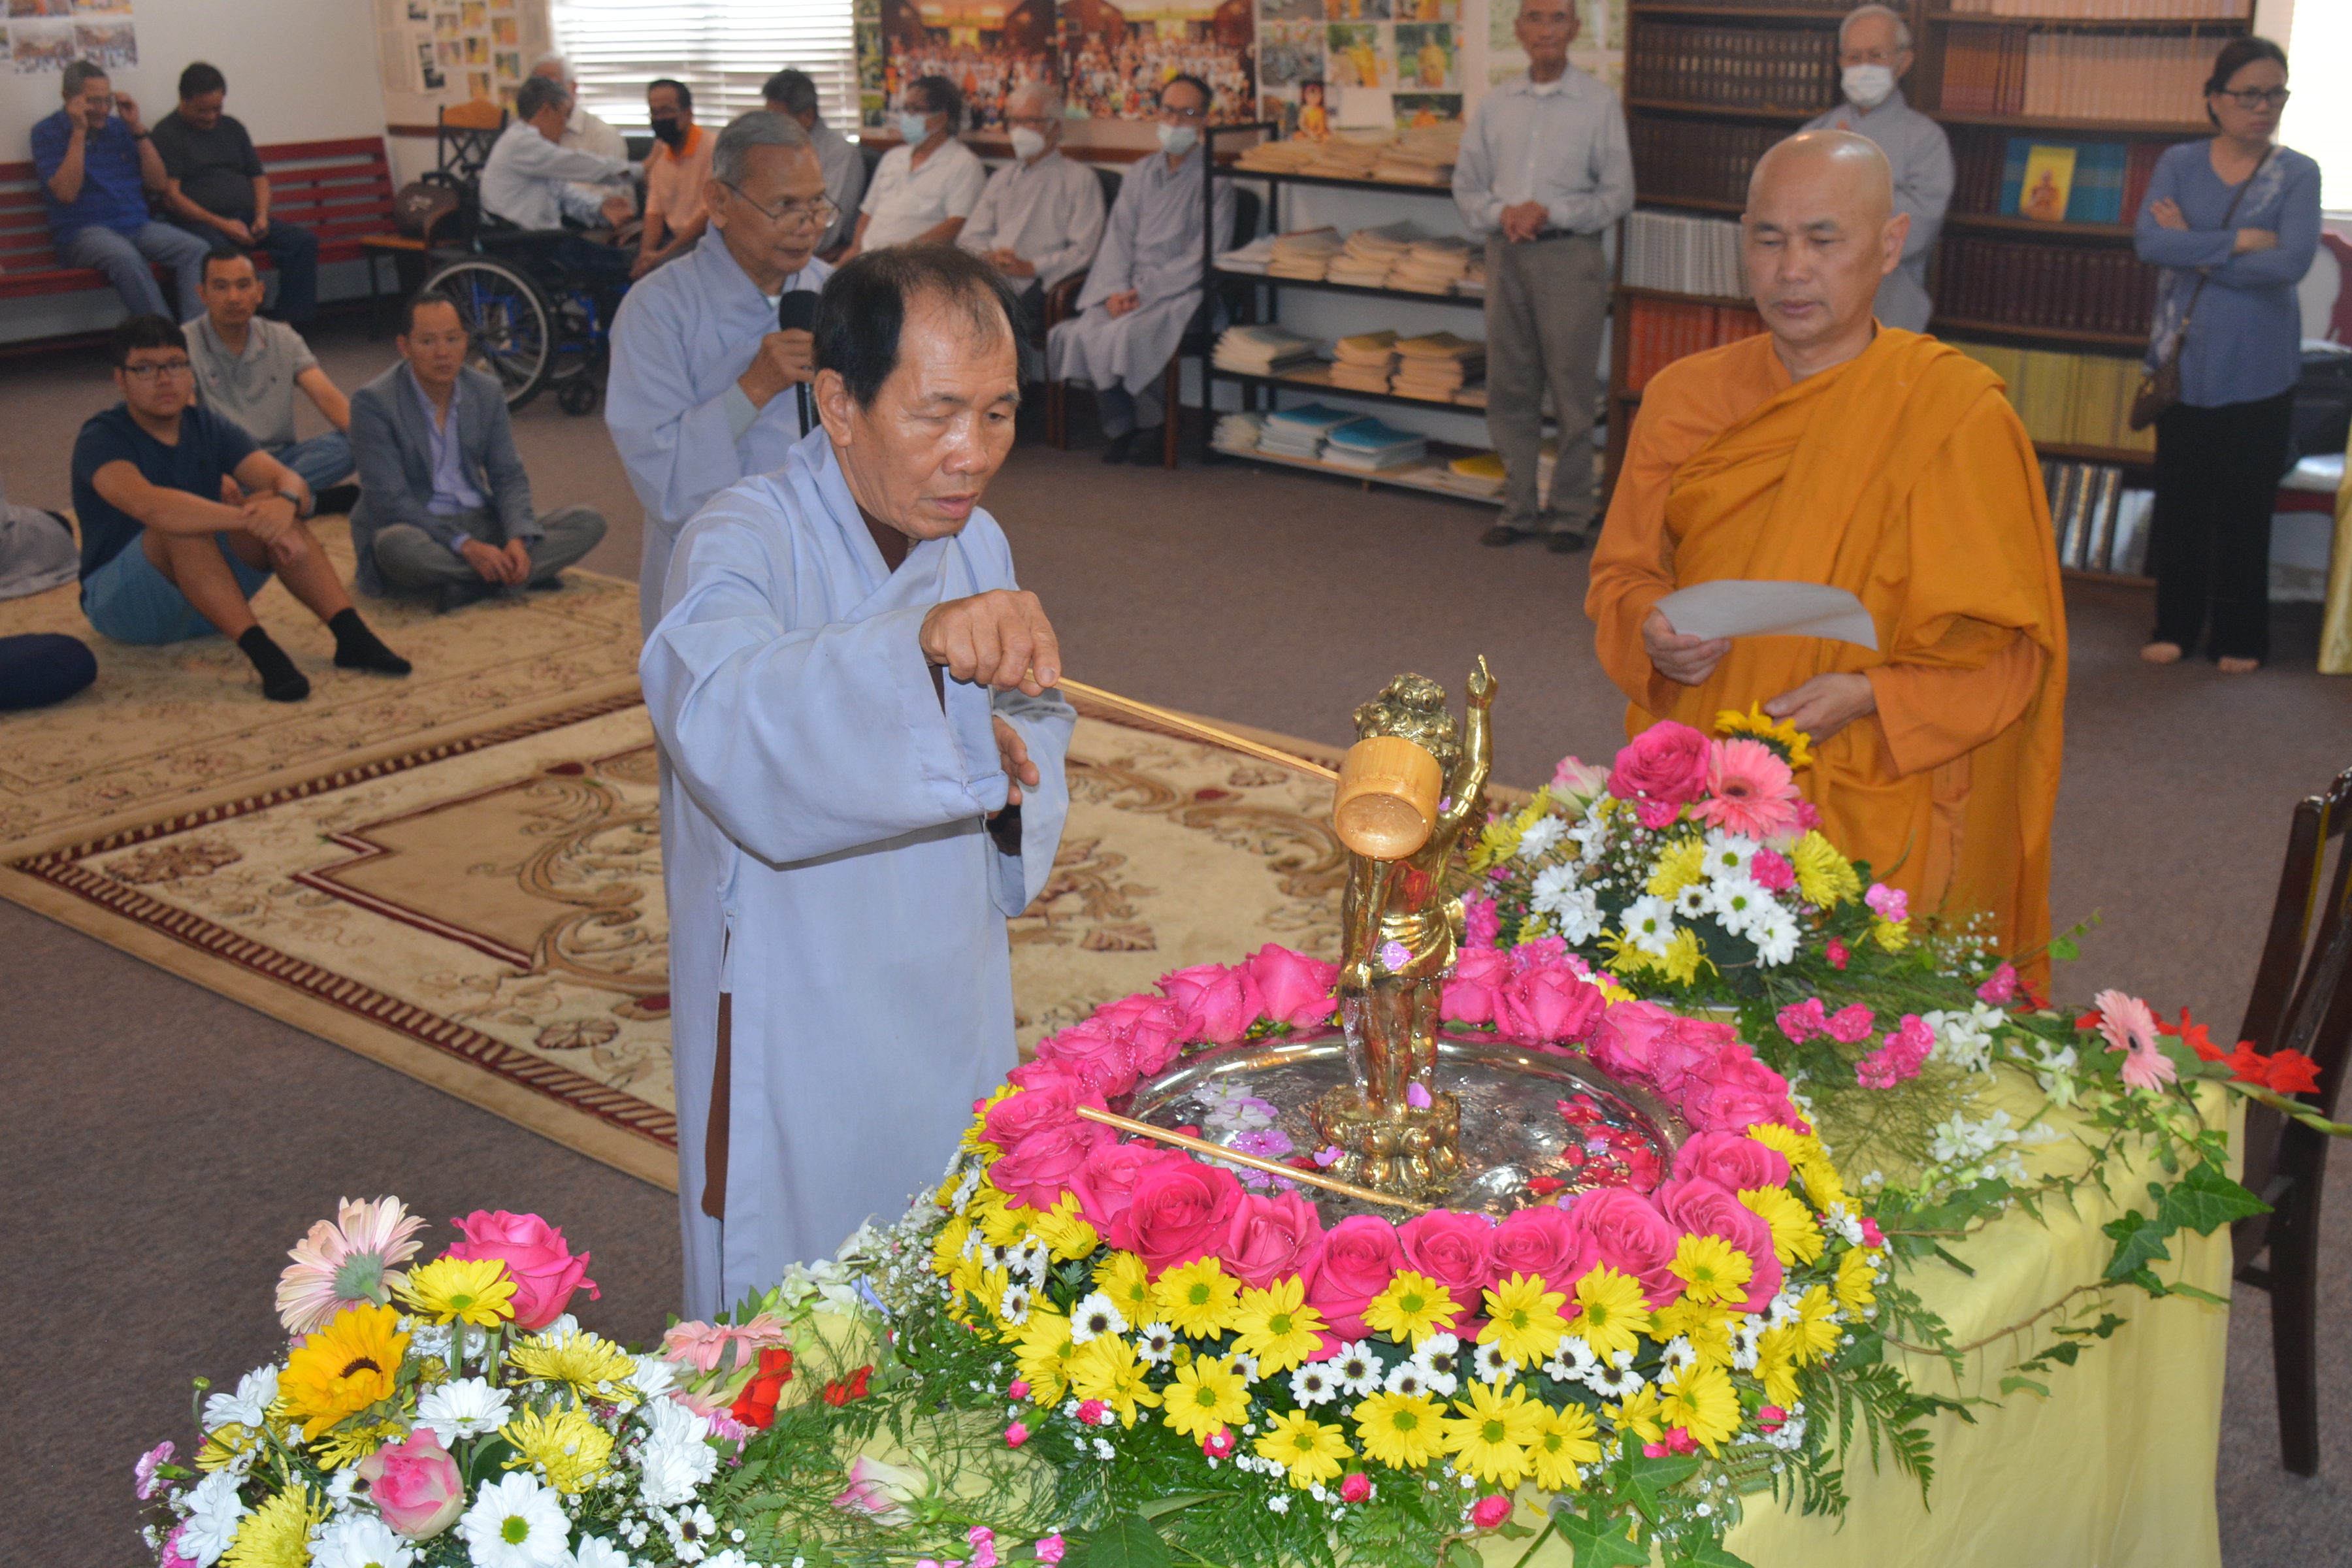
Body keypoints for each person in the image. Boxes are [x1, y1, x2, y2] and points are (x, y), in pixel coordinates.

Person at [641, 246, 1073, 1313]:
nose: (972, 456)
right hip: (799, 986)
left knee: (944, 1252)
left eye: (999, 415)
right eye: (937, 415)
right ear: (837, 404)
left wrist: (1009, 769)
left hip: (946, 971)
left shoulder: (979, 542)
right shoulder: (742, 537)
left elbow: (1032, 712)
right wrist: (913, 652)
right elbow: (718, 713)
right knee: (801, 1302)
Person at [1585, 131, 2066, 967]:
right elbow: (1622, 576)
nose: (1791, 270)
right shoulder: (1684, 399)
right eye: (1769, 239)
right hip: (1708, 774)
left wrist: (1874, 694)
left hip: (1881, 779)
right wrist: (1650, 631)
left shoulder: (1956, 415)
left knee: (1864, 1018)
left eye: (1822, 240)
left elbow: (2012, 652)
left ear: (1889, 244)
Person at [71, 315, 410, 701]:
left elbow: (288, 480)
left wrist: (284, 505)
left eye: (176, 365)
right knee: (184, 526)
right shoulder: (101, 437)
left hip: (206, 599)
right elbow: (151, 507)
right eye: (146, 369)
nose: (165, 380)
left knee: (270, 502)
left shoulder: (206, 425)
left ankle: (352, 637)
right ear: (121, 379)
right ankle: (267, 658)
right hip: (124, 605)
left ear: (190, 372)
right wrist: (247, 519)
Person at [609, 112, 835, 635]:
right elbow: (664, 482)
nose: (807, 225)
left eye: (817, 204)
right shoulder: (657, 310)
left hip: (832, 565)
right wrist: (753, 388)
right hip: (715, 576)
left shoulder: (840, 294)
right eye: (784, 206)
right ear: (718, 202)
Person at [2134, 37, 2319, 674]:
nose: (2263, 107)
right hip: (2182, 364)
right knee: (2182, 503)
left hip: (2261, 369)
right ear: (2214, 100)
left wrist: (2196, 245)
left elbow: (2289, 264)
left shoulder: (2298, 172)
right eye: (2249, 95)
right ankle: (2175, 628)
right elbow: (2150, 243)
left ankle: (2242, 638)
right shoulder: (2179, 163)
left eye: (2275, 95)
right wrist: (2241, 241)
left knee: (2245, 509)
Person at [1452, 0, 1633, 551]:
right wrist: (1503, 213)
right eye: (1535, 17)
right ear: (1519, 29)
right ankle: (1518, 509)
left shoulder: (1598, 103)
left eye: (1558, 18)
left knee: (1570, 391)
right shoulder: (1496, 104)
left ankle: (1571, 515)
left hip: (1569, 257)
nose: (1546, 29)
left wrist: (1551, 213)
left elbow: (1618, 194)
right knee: (1510, 387)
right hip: (1506, 254)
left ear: (1574, 29)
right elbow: (1467, 186)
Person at [347, 294, 608, 613]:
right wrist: (466, 547)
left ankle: (471, 581)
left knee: (588, 521)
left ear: (466, 341)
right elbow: (392, 501)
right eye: (428, 342)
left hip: (479, 519)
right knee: (396, 547)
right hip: (417, 525)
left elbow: (507, 475)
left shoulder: (485, 391)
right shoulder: (374, 403)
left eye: (452, 339)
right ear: (405, 347)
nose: (442, 353)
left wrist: (517, 538)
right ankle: (512, 575)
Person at [1045, 74, 1232, 464]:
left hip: (1181, 292)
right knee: (1082, 332)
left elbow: (1204, 256)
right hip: (1126, 288)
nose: (1175, 121)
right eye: (1168, 111)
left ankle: (1155, 426)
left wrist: (1145, 292)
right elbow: (1118, 239)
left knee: (1130, 334)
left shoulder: (1216, 182)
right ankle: (1122, 426)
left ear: (1204, 120)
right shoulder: (1140, 174)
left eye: (1187, 113)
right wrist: (1115, 291)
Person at [1798, 5, 1953, 335]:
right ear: (1841, 63)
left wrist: (1853, 183)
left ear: (1903, 62)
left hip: (1891, 308)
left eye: (1877, 56)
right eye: (1854, 57)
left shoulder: (1926, 140)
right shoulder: (1812, 135)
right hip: (1812, 302)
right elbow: (1790, 215)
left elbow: (1917, 231)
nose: (1864, 66)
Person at [32, 62, 210, 323]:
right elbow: (66, 194)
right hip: (83, 232)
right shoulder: (46, 132)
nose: (104, 109)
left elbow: (159, 184)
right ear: (68, 98)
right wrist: (79, 132)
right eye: (94, 101)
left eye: (108, 100)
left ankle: (196, 334)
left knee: (196, 249)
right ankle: (163, 338)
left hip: (136, 225)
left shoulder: (119, 128)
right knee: (126, 258)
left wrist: (137, 129)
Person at [184, 248, 356, 511]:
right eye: (221, 287)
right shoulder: (183, 343)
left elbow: (326, 397)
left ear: (260, 291)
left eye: (243, 286)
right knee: (190, 477)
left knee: (352, 445)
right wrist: (213, 472)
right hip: (227, 467)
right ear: (202, 294)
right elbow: (186, 421)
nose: (233, 298)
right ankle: (302, 500)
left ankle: (254, 505)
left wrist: (370, 439)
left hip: (282, 459)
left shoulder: (283, 337)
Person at [150, 62, 319, 329]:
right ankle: (238, 326)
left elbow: (259, 179)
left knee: (303, 242)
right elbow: (172, 197)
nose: (211, 117)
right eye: (202, 111)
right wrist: (222, 224)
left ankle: (287, 325)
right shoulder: (167, 133)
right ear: (184, 100)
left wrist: (262, 216)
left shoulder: (232, 128)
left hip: (246, 216)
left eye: (217, 109)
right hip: (198, 222)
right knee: (227, 255)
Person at [957, 81, 1105, 374]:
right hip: (991, 276)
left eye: (1030, 121)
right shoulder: (1002, 178)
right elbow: (970, 236)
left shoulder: (1079, 180)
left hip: (1040, 284)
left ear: (1054, 127)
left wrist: (1031, 267)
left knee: (986, 329)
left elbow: (1085, 251)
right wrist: (988, 256)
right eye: (1015, 121)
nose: (1020, 130)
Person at [482, 75, 638, 250]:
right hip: (524, 242)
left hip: (538, 238)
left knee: (623, 257)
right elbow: (581, 167)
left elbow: (564, 193)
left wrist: (600, 206)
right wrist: (641, 170)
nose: (565, 126)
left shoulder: (529, 145)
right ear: (547, 111)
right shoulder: (522, 143)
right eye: (564, 115)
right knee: (622, 260)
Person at [841, 75, 987, 257]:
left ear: (941, 118)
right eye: (906, 109)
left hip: (914, 261)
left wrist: (905, 254)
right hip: (867, 258)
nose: (907, 117)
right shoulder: (893, 157)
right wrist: (854, 249)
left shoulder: (964, 164)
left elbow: (956, 225)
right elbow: (867, 213)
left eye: (916, 110)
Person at [763, 68, 865, 257]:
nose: (771, 126)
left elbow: (826, 226)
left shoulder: (840, 154)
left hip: (811, 252)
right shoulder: (776, 148)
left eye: (778, 118)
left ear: (808, 116)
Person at [528, 53, 635, 217]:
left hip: (596, 223)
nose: (545, 96)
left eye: (554, 87)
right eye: (538, 89)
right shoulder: (530, 135)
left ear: (574, 89)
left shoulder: (602, 135)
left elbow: (609, 194)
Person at [633, 79, 713, 280]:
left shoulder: (713, 148)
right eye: (655, 112)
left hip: (707, 242)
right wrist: (646, 256)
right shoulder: (660, 154)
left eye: (667, 111)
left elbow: (709, 215)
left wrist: (663, 255)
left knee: (662, 269)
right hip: (674, 243)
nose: (660, 119)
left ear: (688, 113)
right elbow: (654, 215)